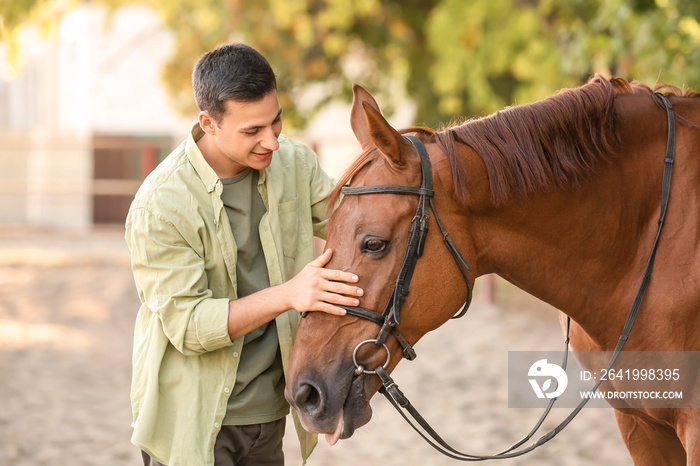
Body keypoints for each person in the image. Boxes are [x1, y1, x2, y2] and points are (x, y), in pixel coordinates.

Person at [125, 43, 362, 466]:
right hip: (194, 422)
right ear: (208, 123)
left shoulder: (293, 162)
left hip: (269, 416)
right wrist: (290, 294)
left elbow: (357, 230)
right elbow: (191, 326)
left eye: (276, 120)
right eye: (252, 131)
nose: (271, 140)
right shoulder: (159, 205)